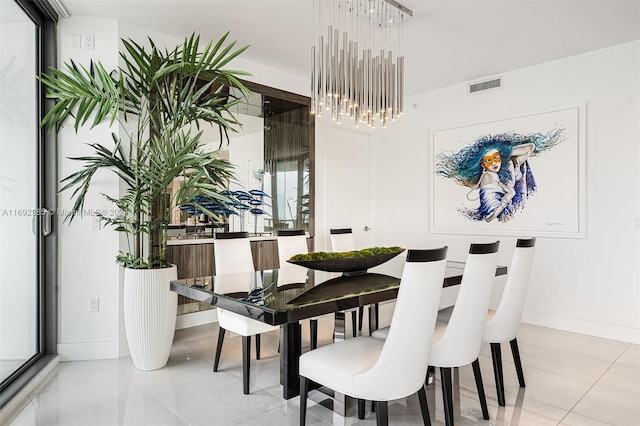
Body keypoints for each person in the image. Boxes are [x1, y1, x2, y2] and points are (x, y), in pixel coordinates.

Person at [435, 130, 563, 223]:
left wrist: (506, 153)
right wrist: (507, 198)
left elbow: (530, 147)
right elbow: (489, 218)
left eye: (496, 158)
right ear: (482, 164)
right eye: (489, 160)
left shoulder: (504, 169)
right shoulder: (489, 177)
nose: (494, 163)